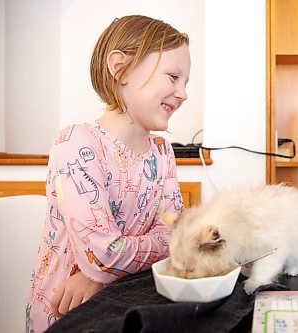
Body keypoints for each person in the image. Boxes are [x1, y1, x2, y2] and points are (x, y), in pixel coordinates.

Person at [26, 15, 190, 333]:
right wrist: (101, 264)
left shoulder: (163, 152)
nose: (183, 93)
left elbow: (177, 236)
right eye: (173, 77)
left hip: (126, 302)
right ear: (121, 68)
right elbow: (103, 253)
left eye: (185, 83)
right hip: (66, 312)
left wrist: (98, 273)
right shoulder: (76, 142)